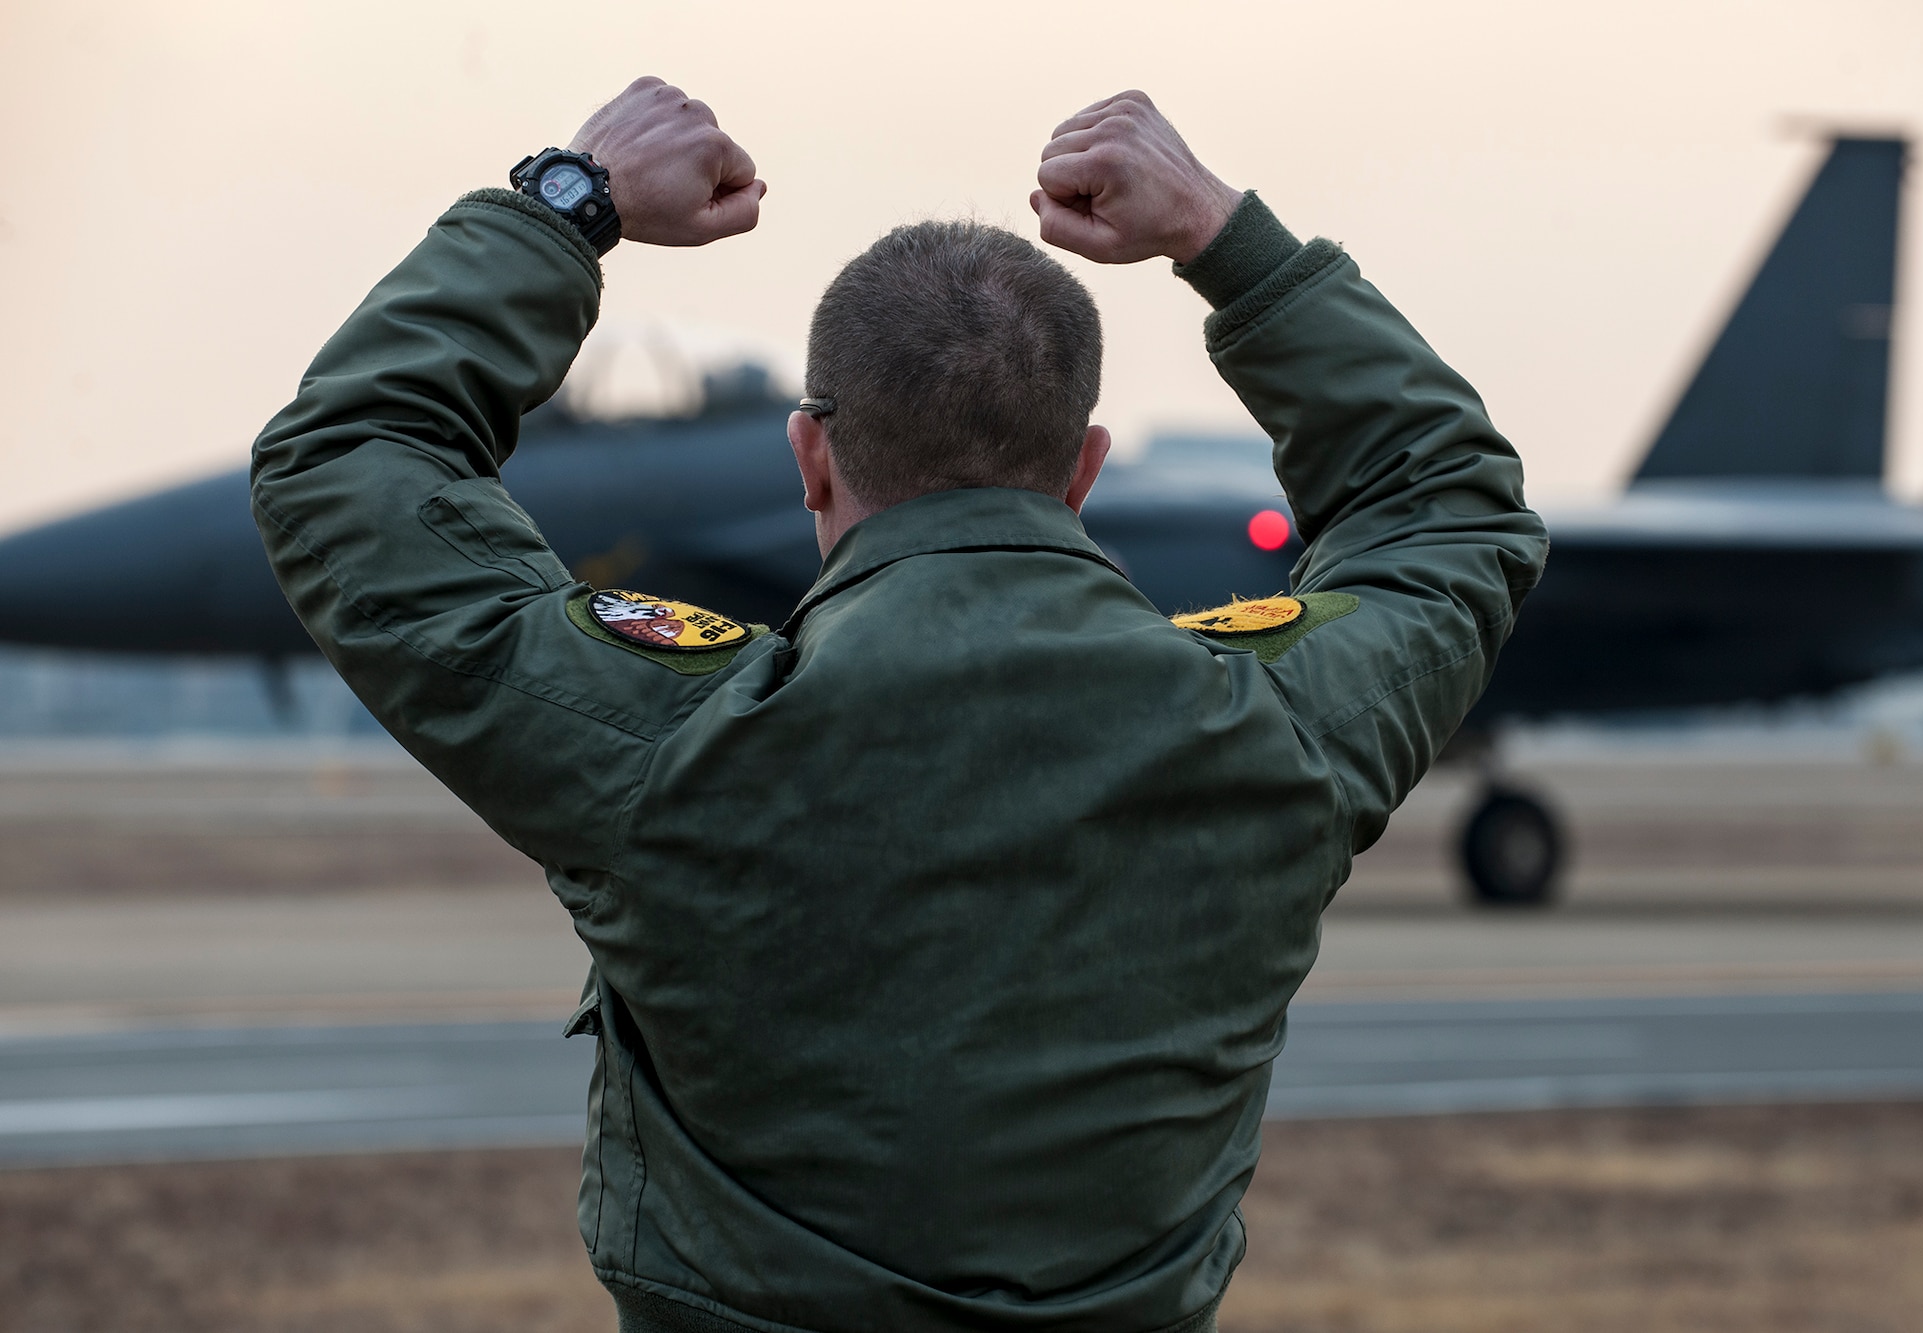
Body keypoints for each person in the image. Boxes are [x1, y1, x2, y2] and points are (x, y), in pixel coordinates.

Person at [253, 78, 1545, 1333]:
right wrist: (1227, 241)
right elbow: (1447, 507)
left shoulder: (669, 738)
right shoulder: (1271, 733)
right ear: (1082, 469)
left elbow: (344, 464)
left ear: (811, 452)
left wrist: (565, 202)